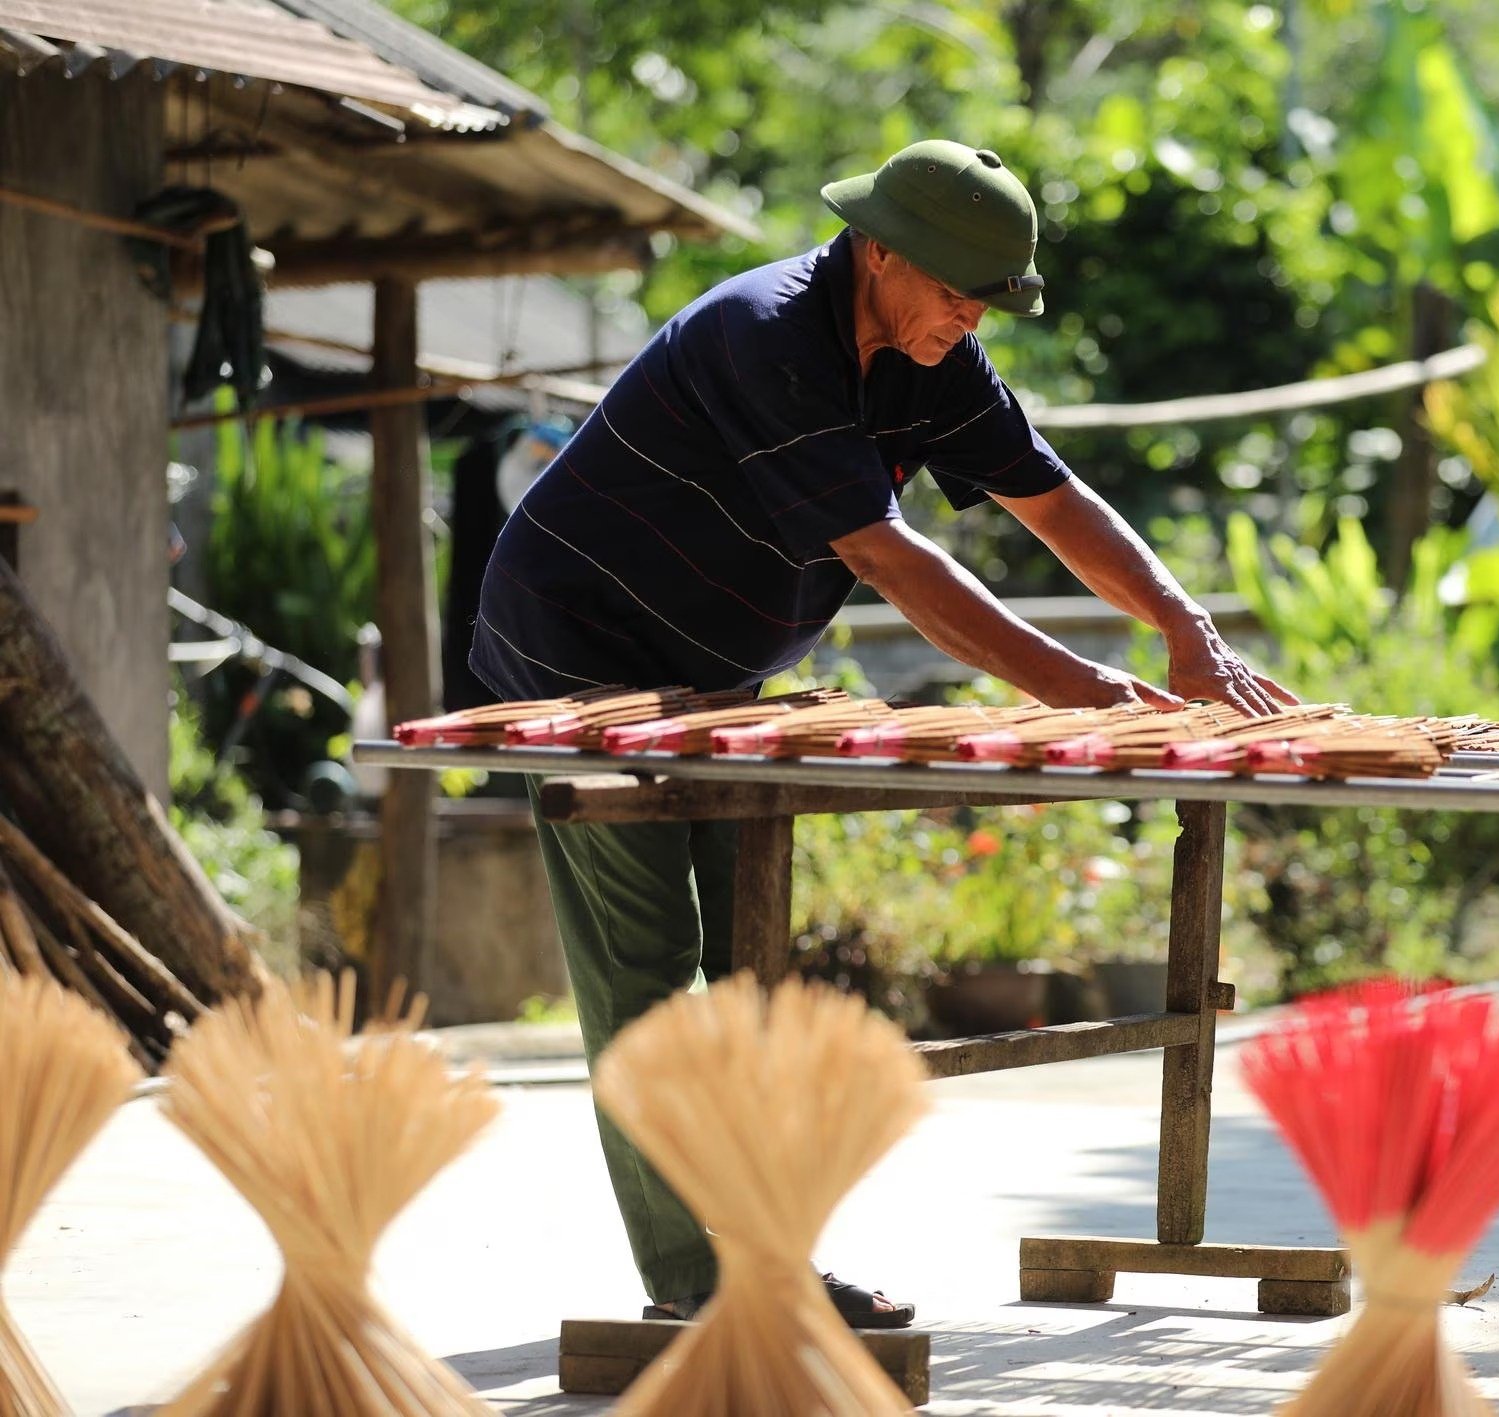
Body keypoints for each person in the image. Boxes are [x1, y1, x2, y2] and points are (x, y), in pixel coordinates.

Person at [469, 139, 1293, 1326]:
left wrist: (1181, 623)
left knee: (748, 965)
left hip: (705, 678)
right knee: (647, 971)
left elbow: (1046, 494)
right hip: (577, 652)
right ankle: (704, 1288)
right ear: (877, 249)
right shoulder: (770, 335)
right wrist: (1083, 692)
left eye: (985, 300)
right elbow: (887, 557)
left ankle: (770, 1259)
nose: (968, 317)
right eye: (954, 291)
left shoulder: (932, 354)